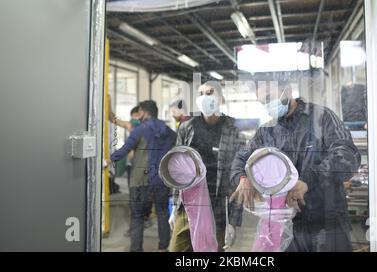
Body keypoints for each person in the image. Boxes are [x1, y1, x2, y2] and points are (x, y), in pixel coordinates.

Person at [230, 73, 360, 252]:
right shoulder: (266, 131)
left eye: (269, 97)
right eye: (263, 102)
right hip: (287, 228)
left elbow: (347, 156)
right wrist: (242, 178)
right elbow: (241, 158)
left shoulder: (321, 118)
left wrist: (308, 180)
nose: (267, 105)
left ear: (288, 91)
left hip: (327, 224)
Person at [169, 81, 244, 252]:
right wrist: (174, 205)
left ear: (221, 99)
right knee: (176, 249)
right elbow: (177, 168)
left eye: (210, 93)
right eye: (201, 93)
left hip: (217, 205)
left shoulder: (233, 129)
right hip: (188, 202)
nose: (204, 98)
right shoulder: (187, 127)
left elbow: (238, 176)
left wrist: (233, 221)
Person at [111, 100, 176, 252]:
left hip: (141, 180)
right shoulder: (169, 131)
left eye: (139, 112)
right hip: (162, 179)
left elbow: (124, 150)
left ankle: (136, 249)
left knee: (137, 216)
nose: (137, 115)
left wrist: (109, 158)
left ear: (144, 112)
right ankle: (163, 246)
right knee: (162, 213)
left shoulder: (140, 130)